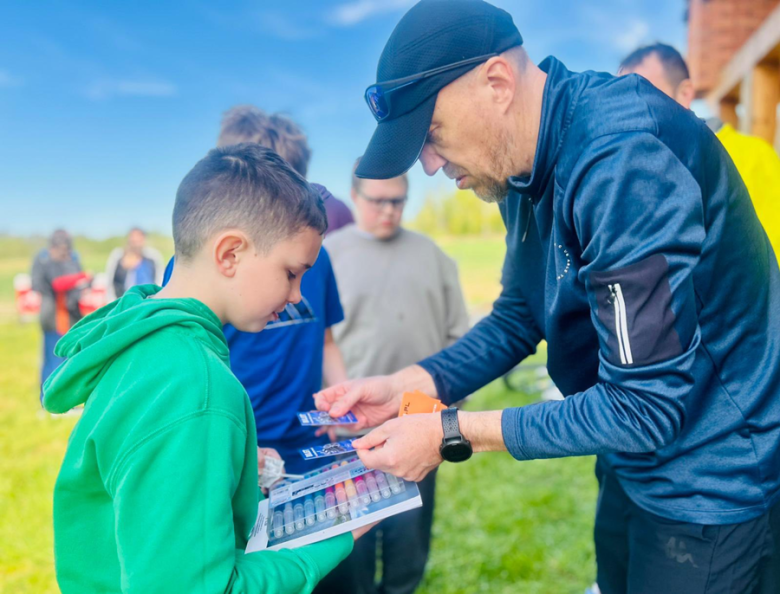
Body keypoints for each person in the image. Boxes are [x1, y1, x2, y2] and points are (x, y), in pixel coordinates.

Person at [315, 1, 780, 593]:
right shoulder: (517, 170)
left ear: (497, 83)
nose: (429, 166)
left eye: (431, 135)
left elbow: (645, 405)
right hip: (630, 461)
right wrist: (411, 386)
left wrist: (452, 431)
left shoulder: (623, 156)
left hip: (713, 481)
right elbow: (517, 316)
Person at [42, 144, 370, 593]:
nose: (297, 296)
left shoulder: (143, 339)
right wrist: (333, 540)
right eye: (291, 273)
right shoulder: (197, 388)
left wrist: (230, 468)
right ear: (230, 253)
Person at [162, 105, 350, 476]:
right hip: (234, 447)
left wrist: (344, 401)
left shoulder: (318, 260)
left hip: (307, 444)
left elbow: (326, 341)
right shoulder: (192, 273)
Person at [318, 161, 469, 594]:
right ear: (354, 197)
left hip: (419, 422)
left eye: (398, 201)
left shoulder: (433, 256)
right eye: (378, 201)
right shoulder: (326, 256)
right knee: (353, 548)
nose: (389, 210)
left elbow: (462, 337)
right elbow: (317, 342)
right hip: (350, 429)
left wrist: (450, 411)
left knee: (408, 539)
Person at [618, 43, 780, 260]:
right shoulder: (636, 171)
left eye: (646, 98)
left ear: (684, 93)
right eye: (623, 104)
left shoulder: (753, 156)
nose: (634, 115)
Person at [31, 229, 89, 392]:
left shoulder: (72, 259)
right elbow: (54, 283)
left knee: (70, 360)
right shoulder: (43, 260)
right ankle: (47, 400)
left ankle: (68, 400)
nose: (63, 251)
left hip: (72, 317)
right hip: (52, 317)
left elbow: (82, 284)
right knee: (52, 360)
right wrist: (81, 278)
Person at [105, 227, 164, 300]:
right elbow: (109, 281)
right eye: (133, 239)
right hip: (122, 301)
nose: (136, 242)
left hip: (146, 301)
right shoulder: (118, 256)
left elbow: (159, 280)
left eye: (139, 239)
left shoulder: (153, 257)